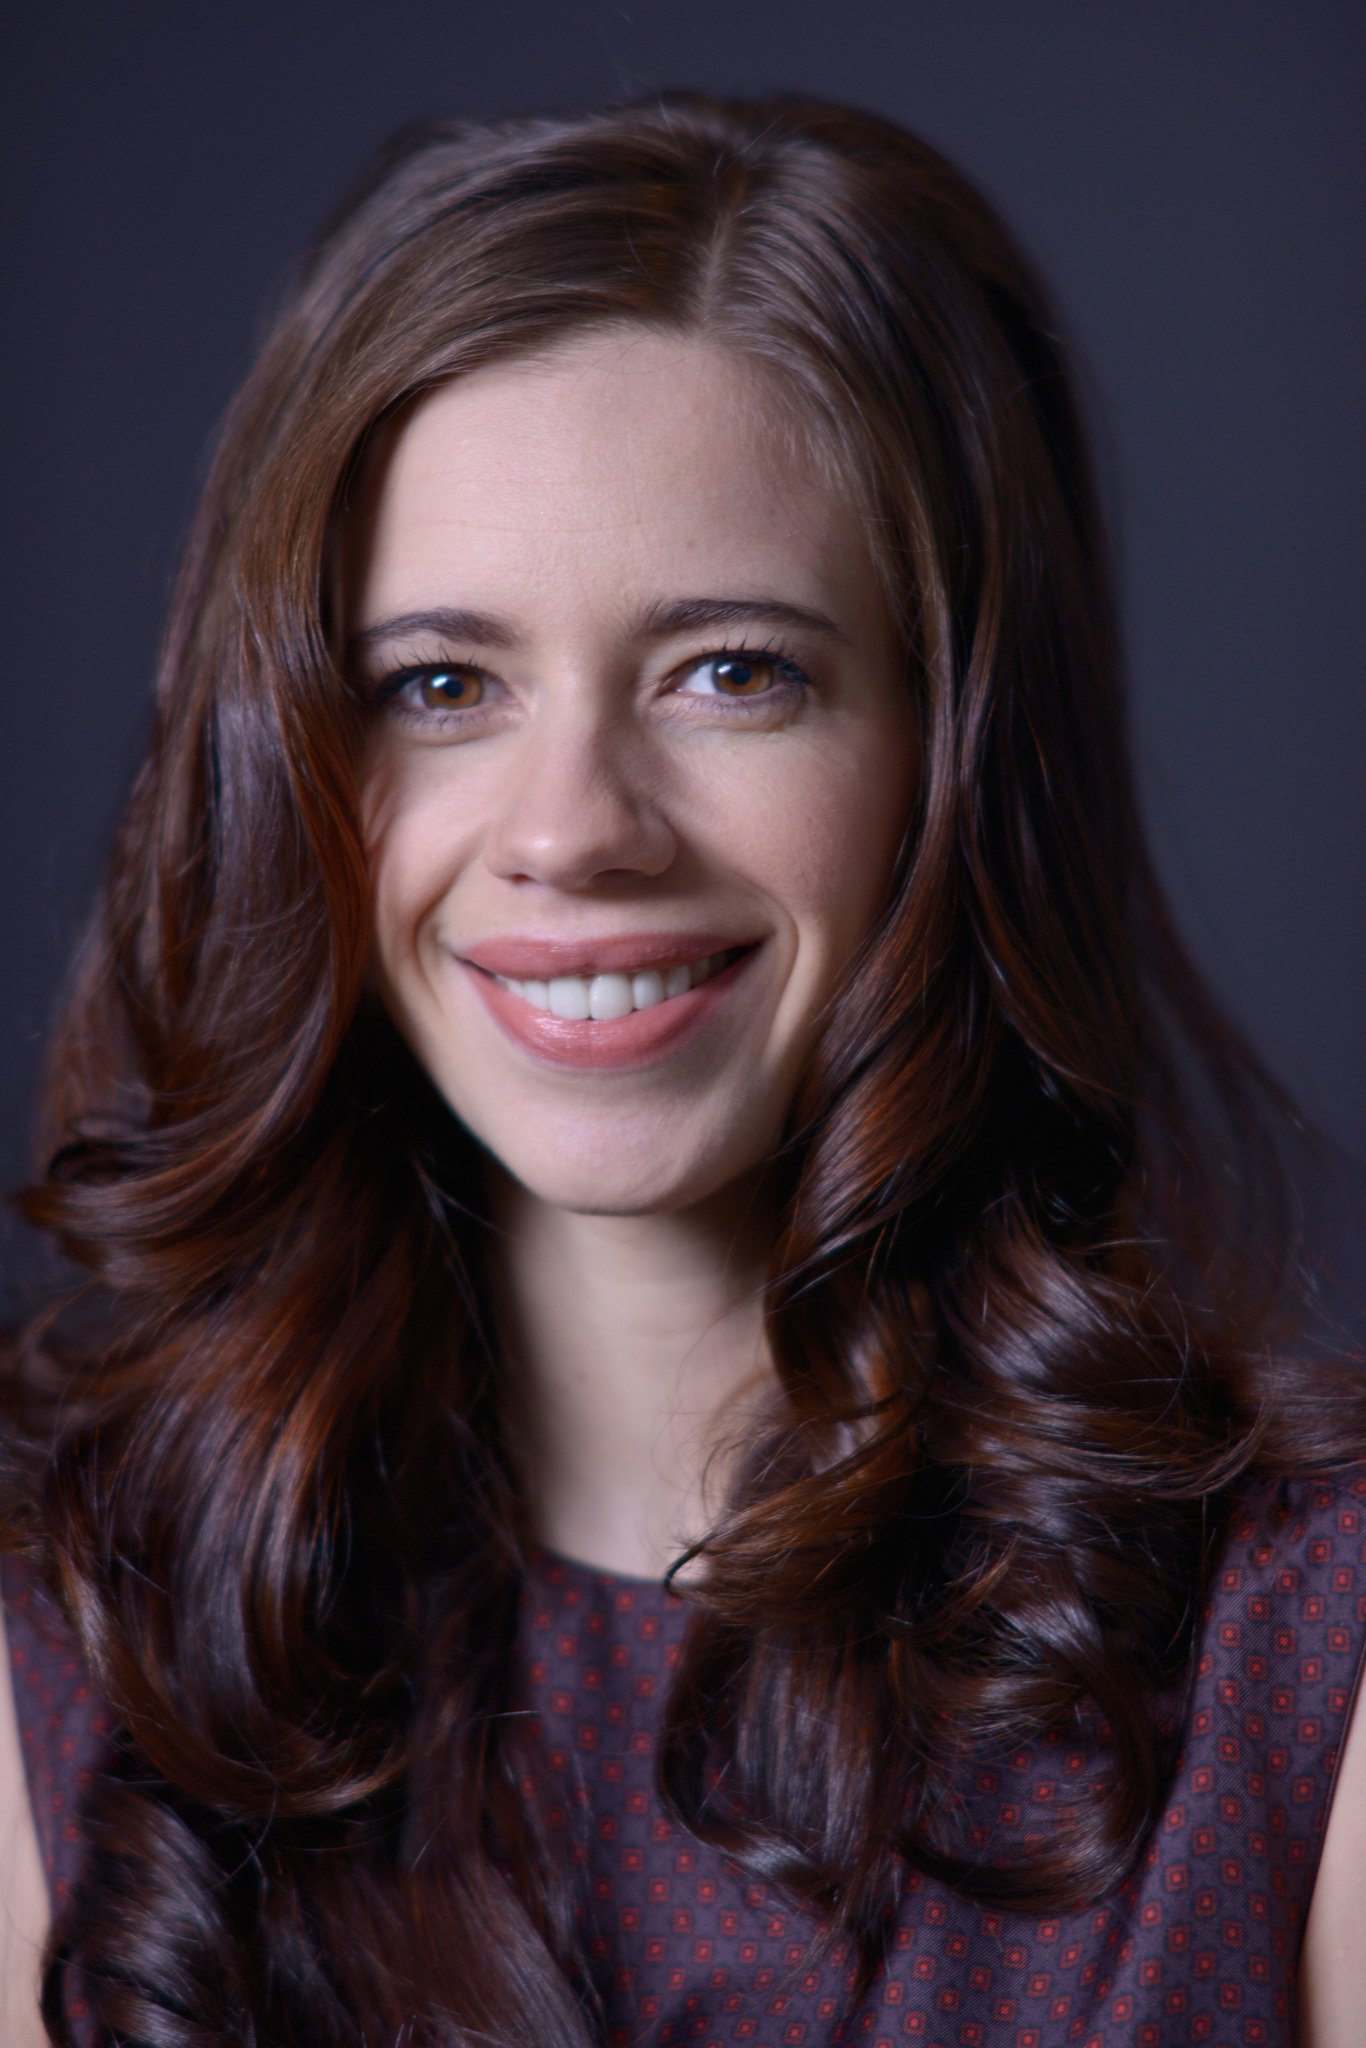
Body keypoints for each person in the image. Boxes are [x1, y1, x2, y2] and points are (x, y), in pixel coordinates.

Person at [0, 92, 1363, 2048]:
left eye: (734, 670)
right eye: (438, 687)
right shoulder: (56, 1649)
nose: (572, 829)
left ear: (954, 759)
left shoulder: (1311, 1654)